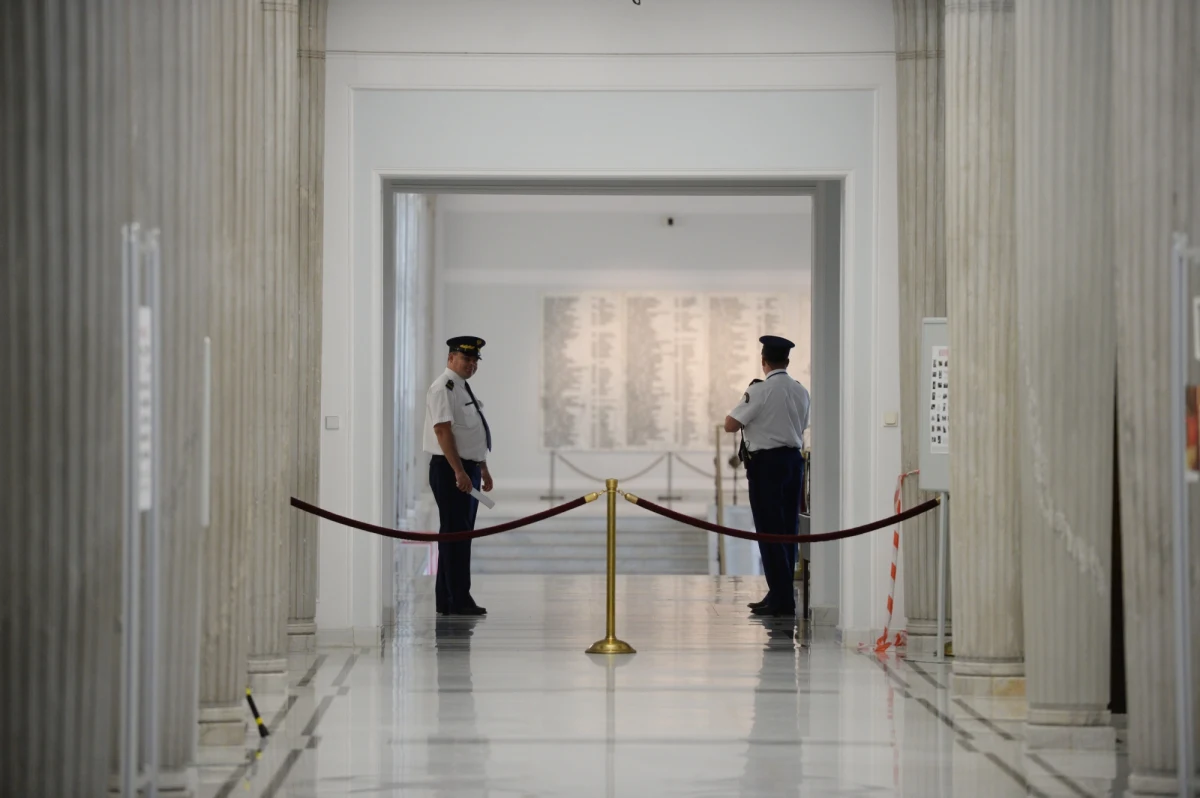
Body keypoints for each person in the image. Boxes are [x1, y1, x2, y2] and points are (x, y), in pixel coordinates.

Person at [724, 335, 811, 617]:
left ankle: (782, 598)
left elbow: (730, 424)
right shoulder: (800, 390)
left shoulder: (759, 391)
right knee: (788, 530)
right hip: (793, 463)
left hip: (767, 466)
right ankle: (779, 592)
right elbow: (803, 424)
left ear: (764, 362)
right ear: (787, 361)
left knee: (769, 530)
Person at [424, 335, 494, 616]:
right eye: (466, 359)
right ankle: (457, 599)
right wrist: (459, 471)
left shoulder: (462, 388)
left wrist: (482, 467)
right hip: (451, 470)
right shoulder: (443, 388)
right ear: (451, 358)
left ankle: (450, 598)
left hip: (468, 469)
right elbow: (443, 432)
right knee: (455, 535)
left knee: (460, 536)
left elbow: (471, 434)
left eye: (475, 360)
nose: (471, 364)